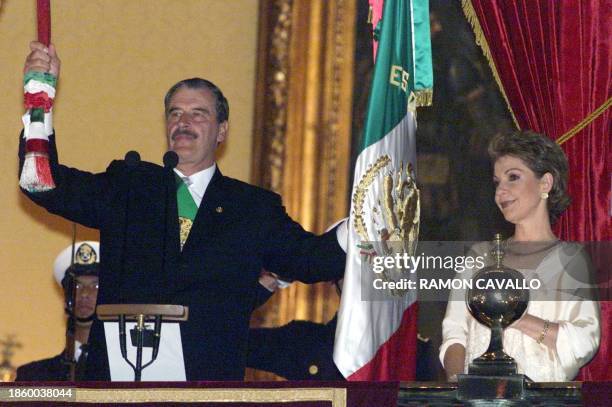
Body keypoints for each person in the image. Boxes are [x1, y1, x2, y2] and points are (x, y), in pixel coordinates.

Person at [19, 42, 346, 381]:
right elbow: (42, 183)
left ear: (222, 131)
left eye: (198, 114)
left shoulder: (252, 208)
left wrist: (361, 225)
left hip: (206, 389)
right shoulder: (130, 186)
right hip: (119, 388)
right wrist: (38, 98)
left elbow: (311, 260)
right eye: (175, 113)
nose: (183, 122)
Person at [439, 130, 600, 382]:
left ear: (545, 183)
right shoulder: (479, 257)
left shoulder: (570, 260)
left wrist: (516, 317)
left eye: (513, 177)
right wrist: (459, 388)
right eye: (497, 182)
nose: (500, 191)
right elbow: (454, 334)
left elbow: (584, 341)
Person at [16, 241, 100, 381]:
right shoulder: (34, 377)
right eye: (77, 286)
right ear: (66, 297)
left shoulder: (123, 375)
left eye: (95, 286)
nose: (85, 293)